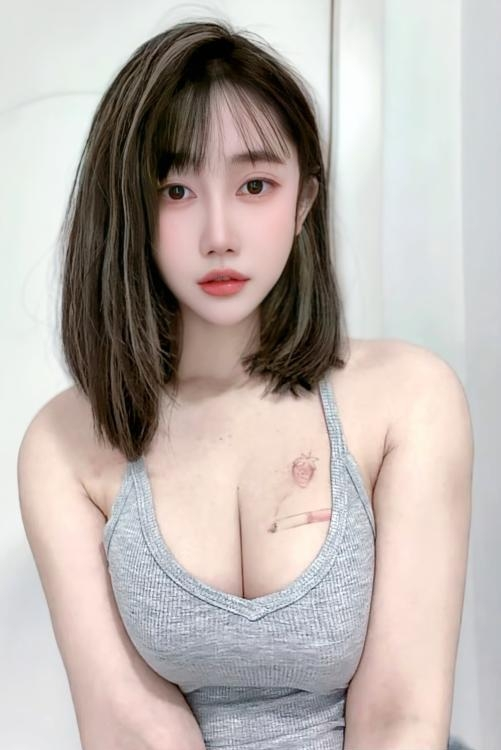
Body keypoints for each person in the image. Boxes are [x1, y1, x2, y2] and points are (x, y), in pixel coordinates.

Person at [17, 17, 474, 750]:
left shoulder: (409, 398)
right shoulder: (64, 443)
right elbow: (128, 728)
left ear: (302, 203)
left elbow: (400, 718)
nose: (219, 235)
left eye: (255, 185)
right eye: (176, 190)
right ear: (128, 206)